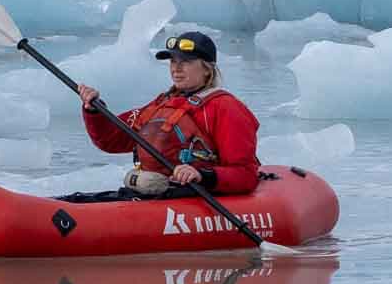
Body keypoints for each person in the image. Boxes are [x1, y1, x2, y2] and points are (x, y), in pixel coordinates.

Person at [74, 30, 261, 198]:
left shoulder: (226, 108)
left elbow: (245, 174)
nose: (176, 68)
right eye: (173, 61)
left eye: (186, 62)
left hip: (196, 197)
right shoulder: (162, 105)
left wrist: (202, 175)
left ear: (207, 68)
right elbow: (111, 139)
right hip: (156, 195)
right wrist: (94, 111)